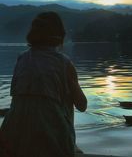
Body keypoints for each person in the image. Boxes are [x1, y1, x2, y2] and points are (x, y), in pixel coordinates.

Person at [0, 11, 87, 157]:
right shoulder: (64, 63)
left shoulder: (21, 59)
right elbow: (82, 105)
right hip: (51, 143)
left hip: (11, 140)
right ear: (60, 35)